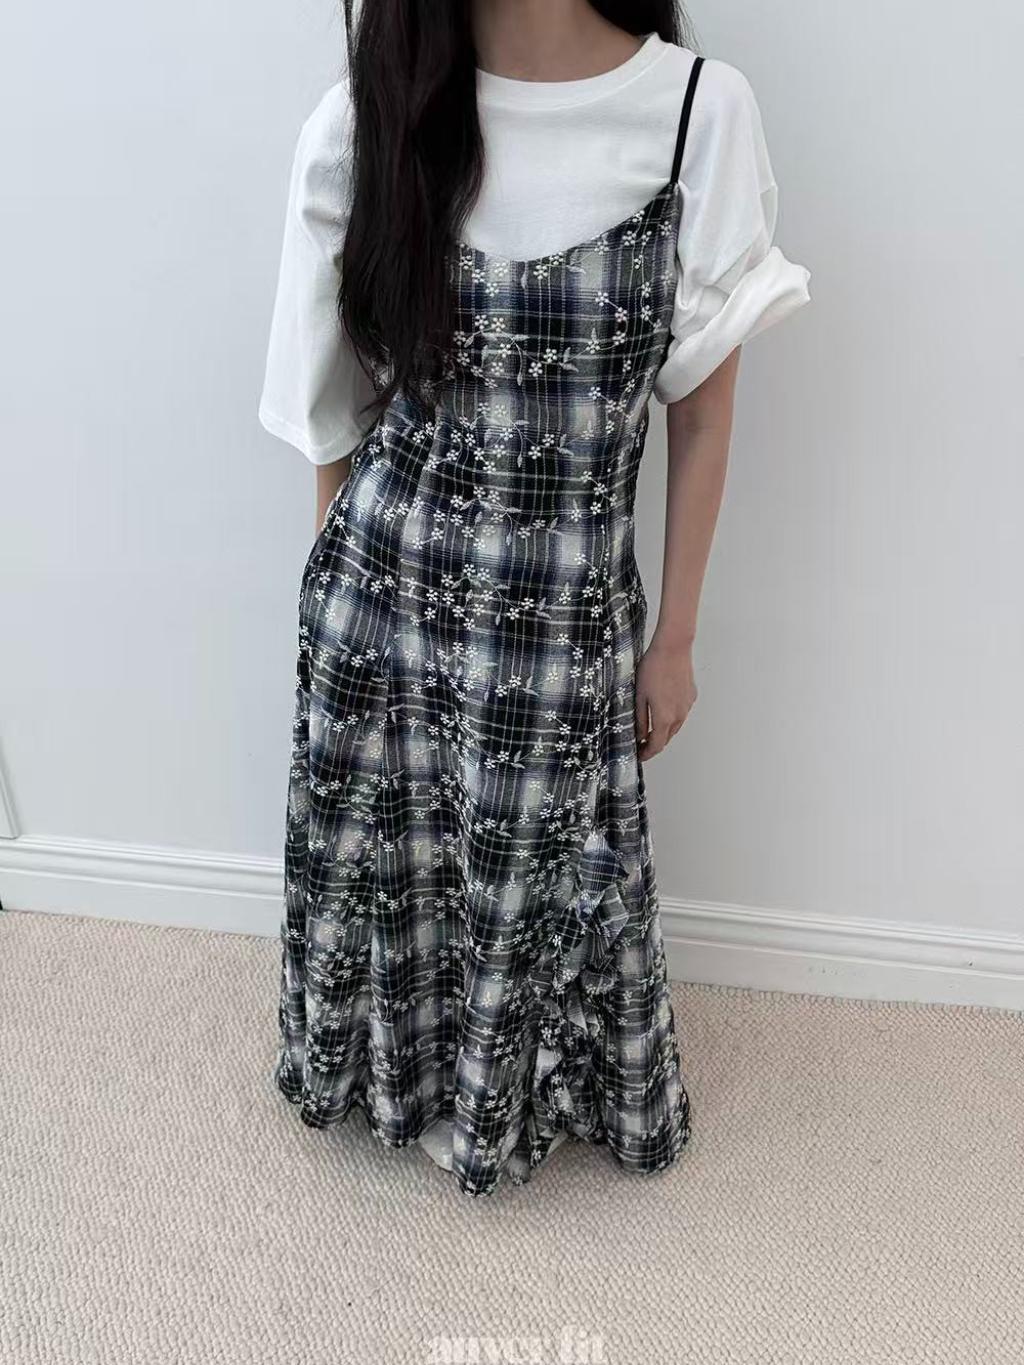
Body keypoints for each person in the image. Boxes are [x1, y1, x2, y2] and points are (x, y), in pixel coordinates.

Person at [257, 0, 810, 1198]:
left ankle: (506, 1104)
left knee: (536, 868)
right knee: (397, 863)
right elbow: (330, 406)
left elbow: (702, 413)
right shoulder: (368, 118)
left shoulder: (695, 114)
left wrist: (676, 638)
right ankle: (394, 1085)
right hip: (384, 598)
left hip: (563, 616)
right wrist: (334, 614)